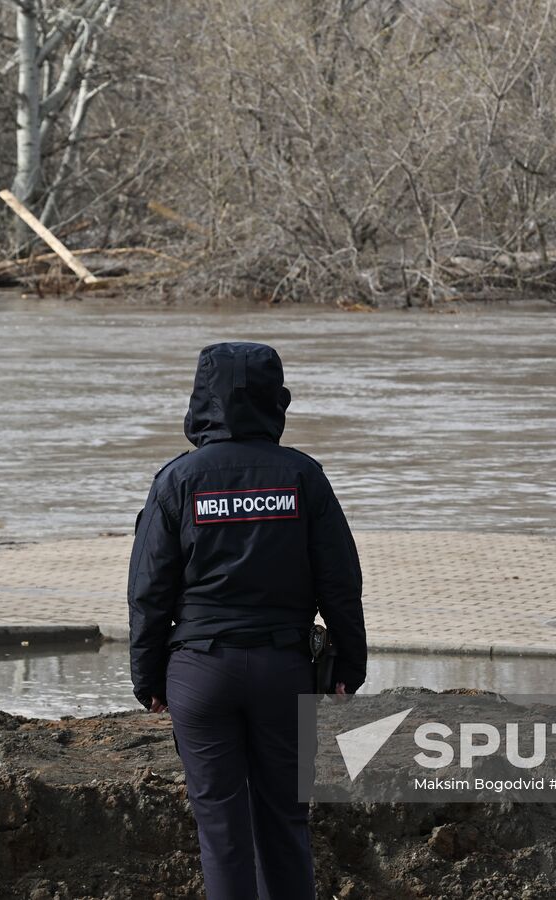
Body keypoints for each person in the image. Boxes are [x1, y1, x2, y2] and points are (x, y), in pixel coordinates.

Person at [127, 341, 367, 900]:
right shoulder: (305, 477)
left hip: (198, 673)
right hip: (284, 670)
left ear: (200, 400)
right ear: (274, 400)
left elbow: (148, 592)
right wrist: (349, 664)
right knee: (285, 820)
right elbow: (340, 581)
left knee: (221, 830)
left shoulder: (177, 480)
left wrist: (147, 676)